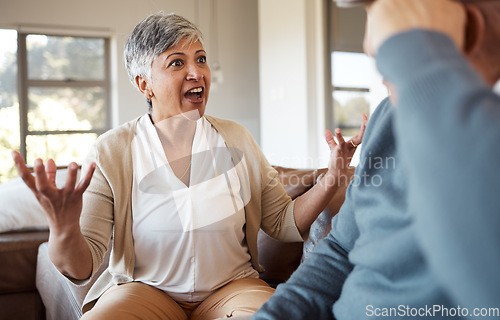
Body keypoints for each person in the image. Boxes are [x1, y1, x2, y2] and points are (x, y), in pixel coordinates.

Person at [11, 12, 367, 320]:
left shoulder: (237, 138)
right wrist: (62, 227)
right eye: (177, 62)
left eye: (201, 58)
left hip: (232, 286)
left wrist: (333, 176)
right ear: (143, 84)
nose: (196, 72)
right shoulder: (112, 150)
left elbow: (283, 224)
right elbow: (81, 267)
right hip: (145, 290)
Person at [252, 0, 500, 319]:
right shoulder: (389, 117)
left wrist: (417, 63)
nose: (371, 51)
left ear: (464, 30)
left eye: (388, 41)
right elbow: (340, 249)